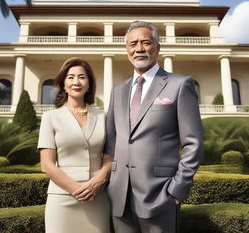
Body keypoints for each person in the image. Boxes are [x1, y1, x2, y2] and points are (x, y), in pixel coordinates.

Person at [104, 21, 204, 233]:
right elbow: (111, 142)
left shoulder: (180, 84)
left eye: (145, 42)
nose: (139, 48)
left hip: (161, 195)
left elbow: (193, 143)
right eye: (133, 44)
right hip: (119, 196)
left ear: (157, 47)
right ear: (126, 50)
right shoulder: (118, 90)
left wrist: (178, 189)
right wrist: (109, 183)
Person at [38, 57, 112, 233]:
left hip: (97, 196)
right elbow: (46, 165)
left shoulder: (104, 116)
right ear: (63, 84)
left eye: (82, 77)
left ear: (89, 84)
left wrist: (99, 180)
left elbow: (110, 157)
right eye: (70, 77)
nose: (76, 82)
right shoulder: (50, 118)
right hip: (62, 199)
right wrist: (77, 189)